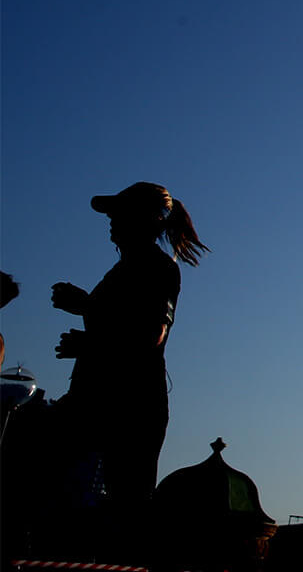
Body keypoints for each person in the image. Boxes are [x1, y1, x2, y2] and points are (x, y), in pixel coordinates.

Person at [51, 183, 208, 547]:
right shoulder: (124, 270)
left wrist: (88, 312)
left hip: (131, 410)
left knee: (128, 515)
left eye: (117, 214)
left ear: (144, 220)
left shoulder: (157, 269)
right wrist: (88, 339)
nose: (110, 221)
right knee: (86, 507)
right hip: (99, 406)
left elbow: (150, 335)